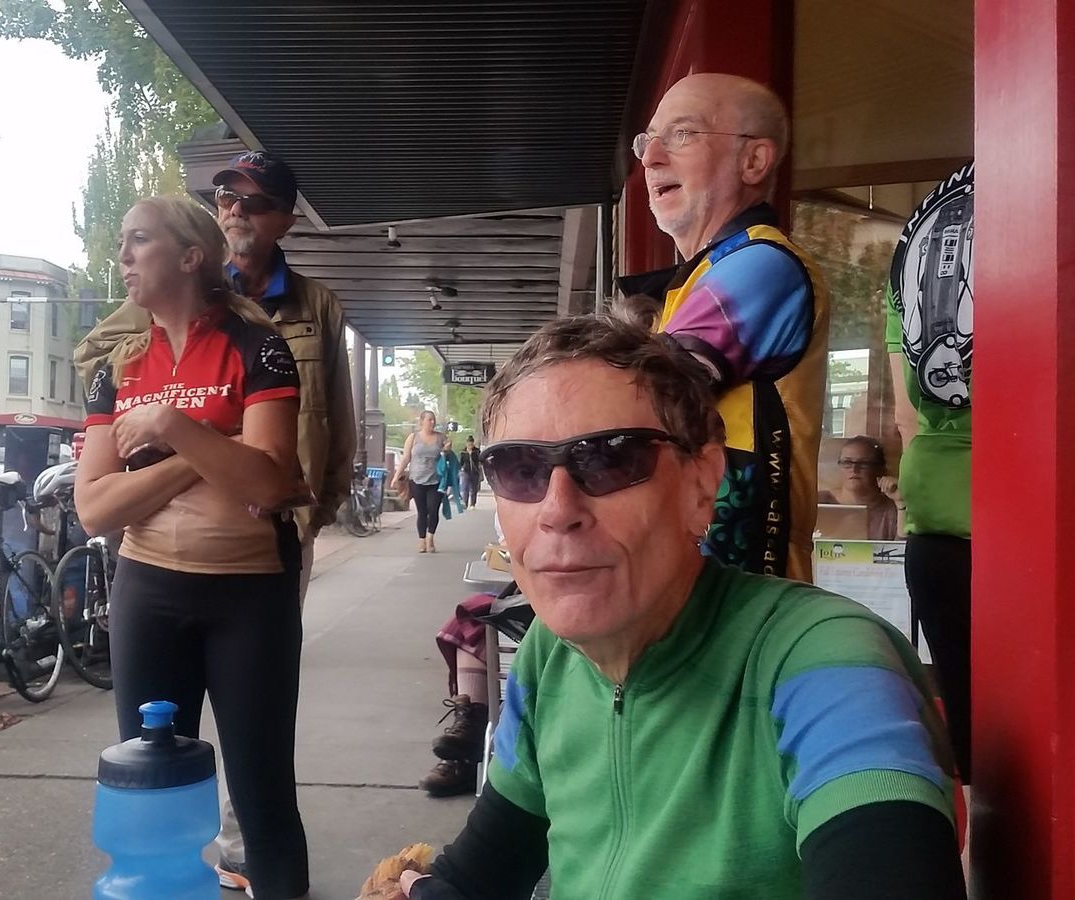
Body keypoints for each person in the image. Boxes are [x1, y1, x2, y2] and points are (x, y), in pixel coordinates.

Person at [390, 315, 963, 900]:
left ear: (702, 484)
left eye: (609, 459)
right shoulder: (550, 655)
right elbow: (483, 871)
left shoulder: (823, 659)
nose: (557, 510)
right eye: (520, 469)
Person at [72, 152, 357, 894]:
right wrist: (211, 448)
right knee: (155, 785)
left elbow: (269, 479)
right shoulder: (117, 367)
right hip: (147, 588)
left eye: (139, 240)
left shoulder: (259, 345)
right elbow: (95, 507)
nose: (123, 255)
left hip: (249, 590)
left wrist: (171, 426)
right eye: (122, 242)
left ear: (190, 256)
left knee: (261, 792)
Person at [619, 73, 830, 582]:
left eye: (682, 134)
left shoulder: (762, 263)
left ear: (753, 160)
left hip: (744, 596)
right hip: (690, 583)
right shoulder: (704, 274)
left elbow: (639, 395)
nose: (651, 159)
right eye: (648, 141)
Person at [886, 163, 975, 784]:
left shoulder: (921, 232)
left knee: (972, 732)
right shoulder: (1051, 212)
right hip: (1034, 522)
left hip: (936, 522)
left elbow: (906, 416)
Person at [817, 435, 901, 541]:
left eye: (863, 463)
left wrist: (901, 504)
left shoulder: (892, 508)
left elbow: (903, 547)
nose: (854, 469)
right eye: (847, 462)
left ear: (880, 470)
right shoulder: (819, 502)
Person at [391, 410, 446, 553]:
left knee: (433, 510)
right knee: (422, 511)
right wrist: (396, 476)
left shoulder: (440, 437)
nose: (432, 422)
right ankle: (422, 540)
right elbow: (406, 458)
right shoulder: (413, 437)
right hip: (416, 479)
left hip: (436, 480)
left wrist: (447, 448)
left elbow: (448, 455)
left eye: (433, 419)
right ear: (422, 422)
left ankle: (430, 538)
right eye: (429, 419)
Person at [437, 434, 463, 520]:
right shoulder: (438, 454)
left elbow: (456, 466)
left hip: (445, 482)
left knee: (438, 502)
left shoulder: (451, 455)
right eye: (447, 446)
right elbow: (441, 469)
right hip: (436, 480)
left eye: (450, 446)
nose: (449, 448)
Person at [459, 438, 482, 509]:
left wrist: (472, 454)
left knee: (474, 489)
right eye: (469, 443)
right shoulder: (463, 452)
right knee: (465, 488)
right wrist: (461, 469)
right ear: (466, 444)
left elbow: (480, 460)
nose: (470, 445)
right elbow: (461, 462)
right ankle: (465, 503)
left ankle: (472, 504)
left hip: (475, 472)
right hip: (466, 472)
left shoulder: (477, 451)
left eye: (471, 443)